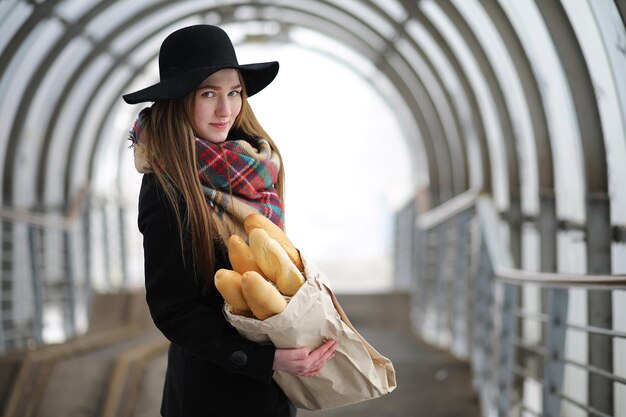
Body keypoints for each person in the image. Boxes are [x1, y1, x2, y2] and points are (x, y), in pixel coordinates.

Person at [122, 25, 337, 417]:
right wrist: (262, 360)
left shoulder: (252, 168)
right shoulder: (167, 187)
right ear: (179, 101)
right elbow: (174, 309)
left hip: (269, 390)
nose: (226, 109)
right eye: (208, 94)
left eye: (233, 92)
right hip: (212, 394)